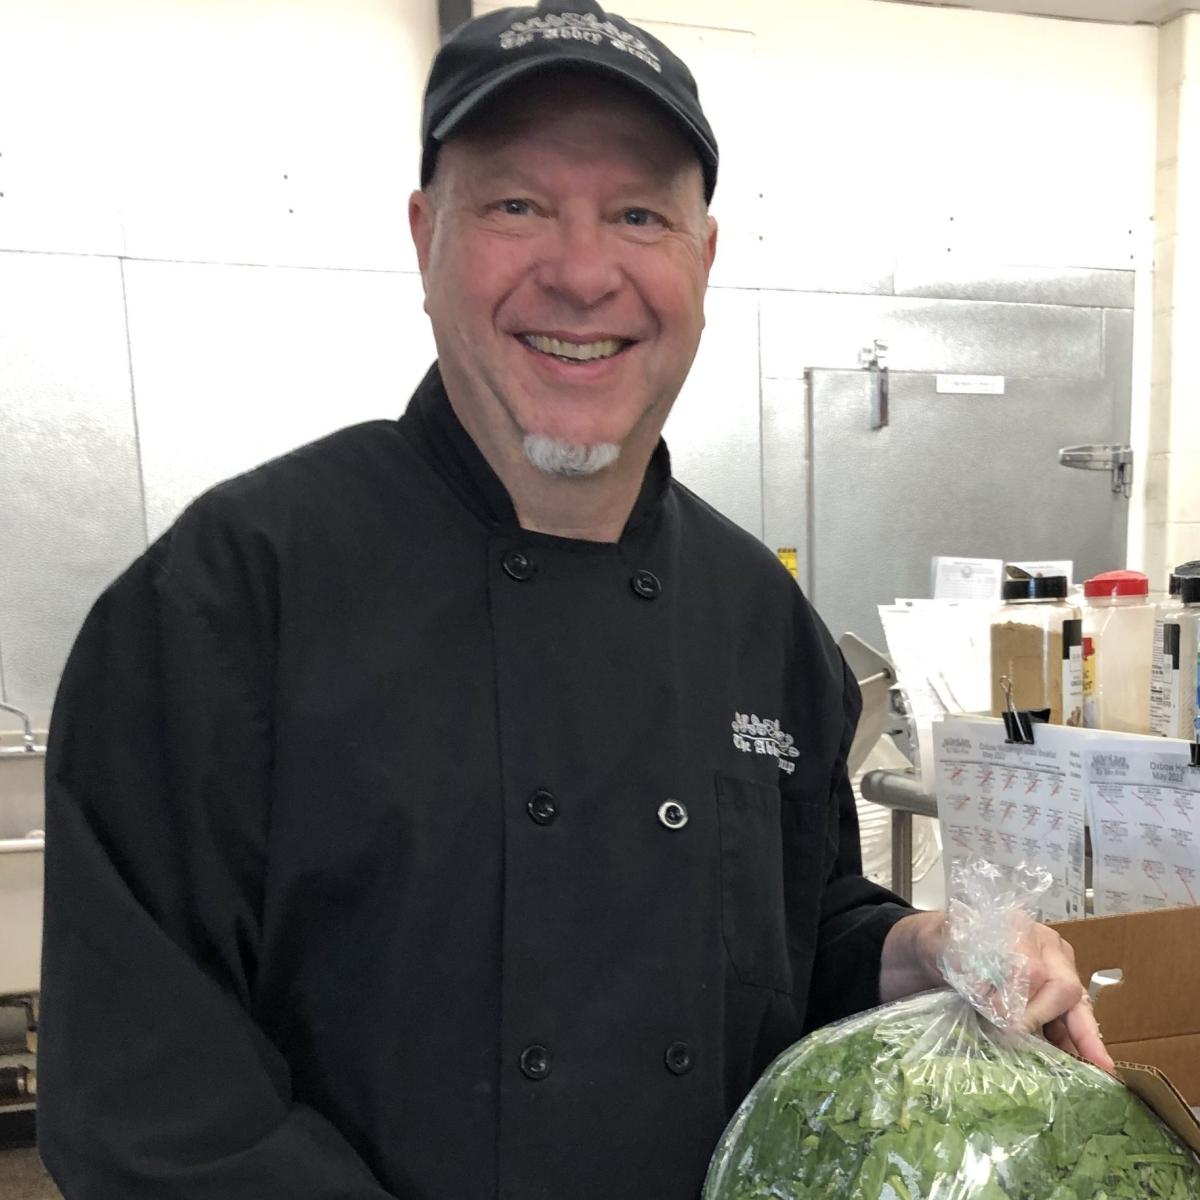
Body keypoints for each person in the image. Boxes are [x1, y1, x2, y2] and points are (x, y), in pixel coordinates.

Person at [37, 3, 1110, 1198]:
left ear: (701, 262)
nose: (584, 271)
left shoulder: (757, 615)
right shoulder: (225, 602)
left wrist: (902, 954)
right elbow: (153, 1108)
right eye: (516, 206)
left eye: (639, 215)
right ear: (424, 235)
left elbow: (789, 934)